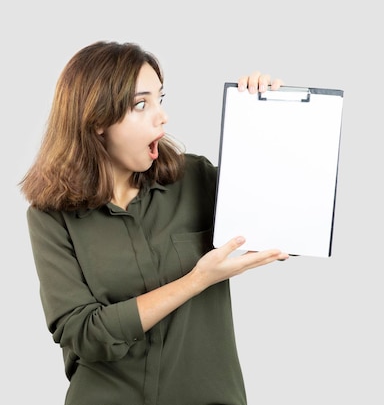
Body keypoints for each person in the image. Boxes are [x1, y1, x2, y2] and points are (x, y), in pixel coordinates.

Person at [20, 40, 289, 405]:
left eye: (161, 99)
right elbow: (84, 332)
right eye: (141, 104)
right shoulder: (50, 217)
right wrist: (196, 281)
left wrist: (264, 123)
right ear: (98, 121)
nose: (161, 116)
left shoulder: (195, 178)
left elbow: (290, 223)